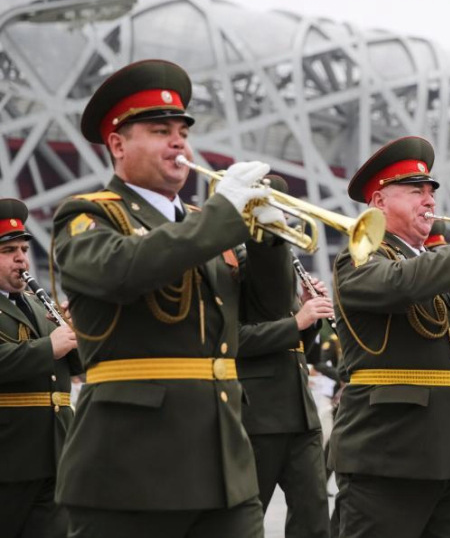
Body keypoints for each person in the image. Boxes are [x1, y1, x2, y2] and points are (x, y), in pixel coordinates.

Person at [52, 59, 292, 538]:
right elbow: (121, 270)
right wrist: (225, 215)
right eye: (160, 130)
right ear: (118, 144)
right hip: (132, 467)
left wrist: (269, 241)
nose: (178, 141)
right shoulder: (87, 215)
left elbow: (269, 308)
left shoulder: (205, 224)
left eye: (181, 131)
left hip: (224, 462)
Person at [328, 136, 450, 538]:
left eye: (431, 191)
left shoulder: (435, 267)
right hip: (390, 457)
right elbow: (399, 285)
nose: (429, 200)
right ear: (379, 202)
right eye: (415, 191)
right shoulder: (361, 258)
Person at [237, 194, 335, 538]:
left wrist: (307, 321)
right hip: (257, 415)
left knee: (314, 519)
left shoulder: (283, 274)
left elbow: (297, 351)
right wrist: (297, 322)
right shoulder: (237, 265)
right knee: (245, 521)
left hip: (300, 415)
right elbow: (232, 340)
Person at [0, 199, 81, 538]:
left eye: (23, 248)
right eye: (8, 251)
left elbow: (76, 365)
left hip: (56, 452)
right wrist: (51, 345)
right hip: (9, 457)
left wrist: (81, 332)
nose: (21, 258)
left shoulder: (37, 304)